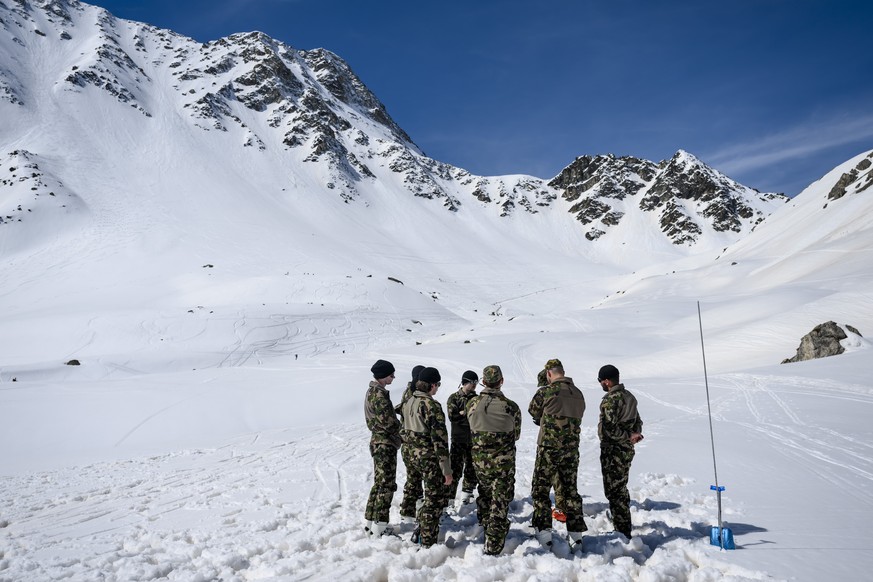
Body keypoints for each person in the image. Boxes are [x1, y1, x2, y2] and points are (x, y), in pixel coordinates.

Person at [528, 358, 587, 548]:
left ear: (548, 374)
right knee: (570, 491)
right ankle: (575, 535)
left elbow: (533, 411)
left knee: (541, 490)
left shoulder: (546, 391)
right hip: (570, 450)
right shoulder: (578, 393)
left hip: (549, 449)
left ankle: (544, 533)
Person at [466, 365, 521, 555]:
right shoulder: (511, 407)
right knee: (499, 502)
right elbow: (517, 434)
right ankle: (493, 546)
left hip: (479, 462)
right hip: (503, 464)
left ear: (483, 381)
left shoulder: (471, 404)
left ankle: (484, 525)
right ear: (501, 381)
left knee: (485, 493)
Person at [400, 367, 453, 548]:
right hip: (429, 460)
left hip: (411, 456)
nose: (437, 388)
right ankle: (427, 541)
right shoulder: (432, 406)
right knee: (434, 500)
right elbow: (440, 442)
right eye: (437, 385)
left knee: (423, 496)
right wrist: (446, 470)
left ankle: (420, 530)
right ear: (431, 385)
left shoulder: (408, 401)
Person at [597, 364, 643, 540]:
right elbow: (637, 421)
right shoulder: (629, 397)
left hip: (613, 451)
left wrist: (628, 435)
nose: (600, 383)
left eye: (601, 380)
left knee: (614, 491)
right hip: (626, 450)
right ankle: (621, 522)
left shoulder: (611, 400)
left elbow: (609, 430)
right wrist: (634, 435)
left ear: (607, 381)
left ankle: (622, 530)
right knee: (620, 488)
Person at [364, 359, 402, 537]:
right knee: (386, 484)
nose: (393, 377)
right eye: (391, 374)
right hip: (385, 442)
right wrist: (401, 430)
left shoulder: (372, 391)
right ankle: (381, 526)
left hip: (378, 441)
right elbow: (387, 421)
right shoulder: (379, 395)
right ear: (383, 376)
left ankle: (370, 523)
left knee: (379, 483)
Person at [396, 365, 425, 521]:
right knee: (414, 478)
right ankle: (410, 511)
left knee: (414, 478)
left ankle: (410, 511)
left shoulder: (410, 391)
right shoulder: (412, 393)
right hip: (412, 442)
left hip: (410, 442)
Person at [445, 370, 479, 506]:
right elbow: (453, 417)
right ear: (465, 382)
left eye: (476, 383)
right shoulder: (454, 398)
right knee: (454, 470)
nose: (475, 385)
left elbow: (477, 418)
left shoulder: (476, 399)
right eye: (472, 382)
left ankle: (467, 495)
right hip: (458, 440)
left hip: (473, 440)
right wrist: (466, 414)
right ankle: (449, 500)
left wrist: (462, 414)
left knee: (471, 470)